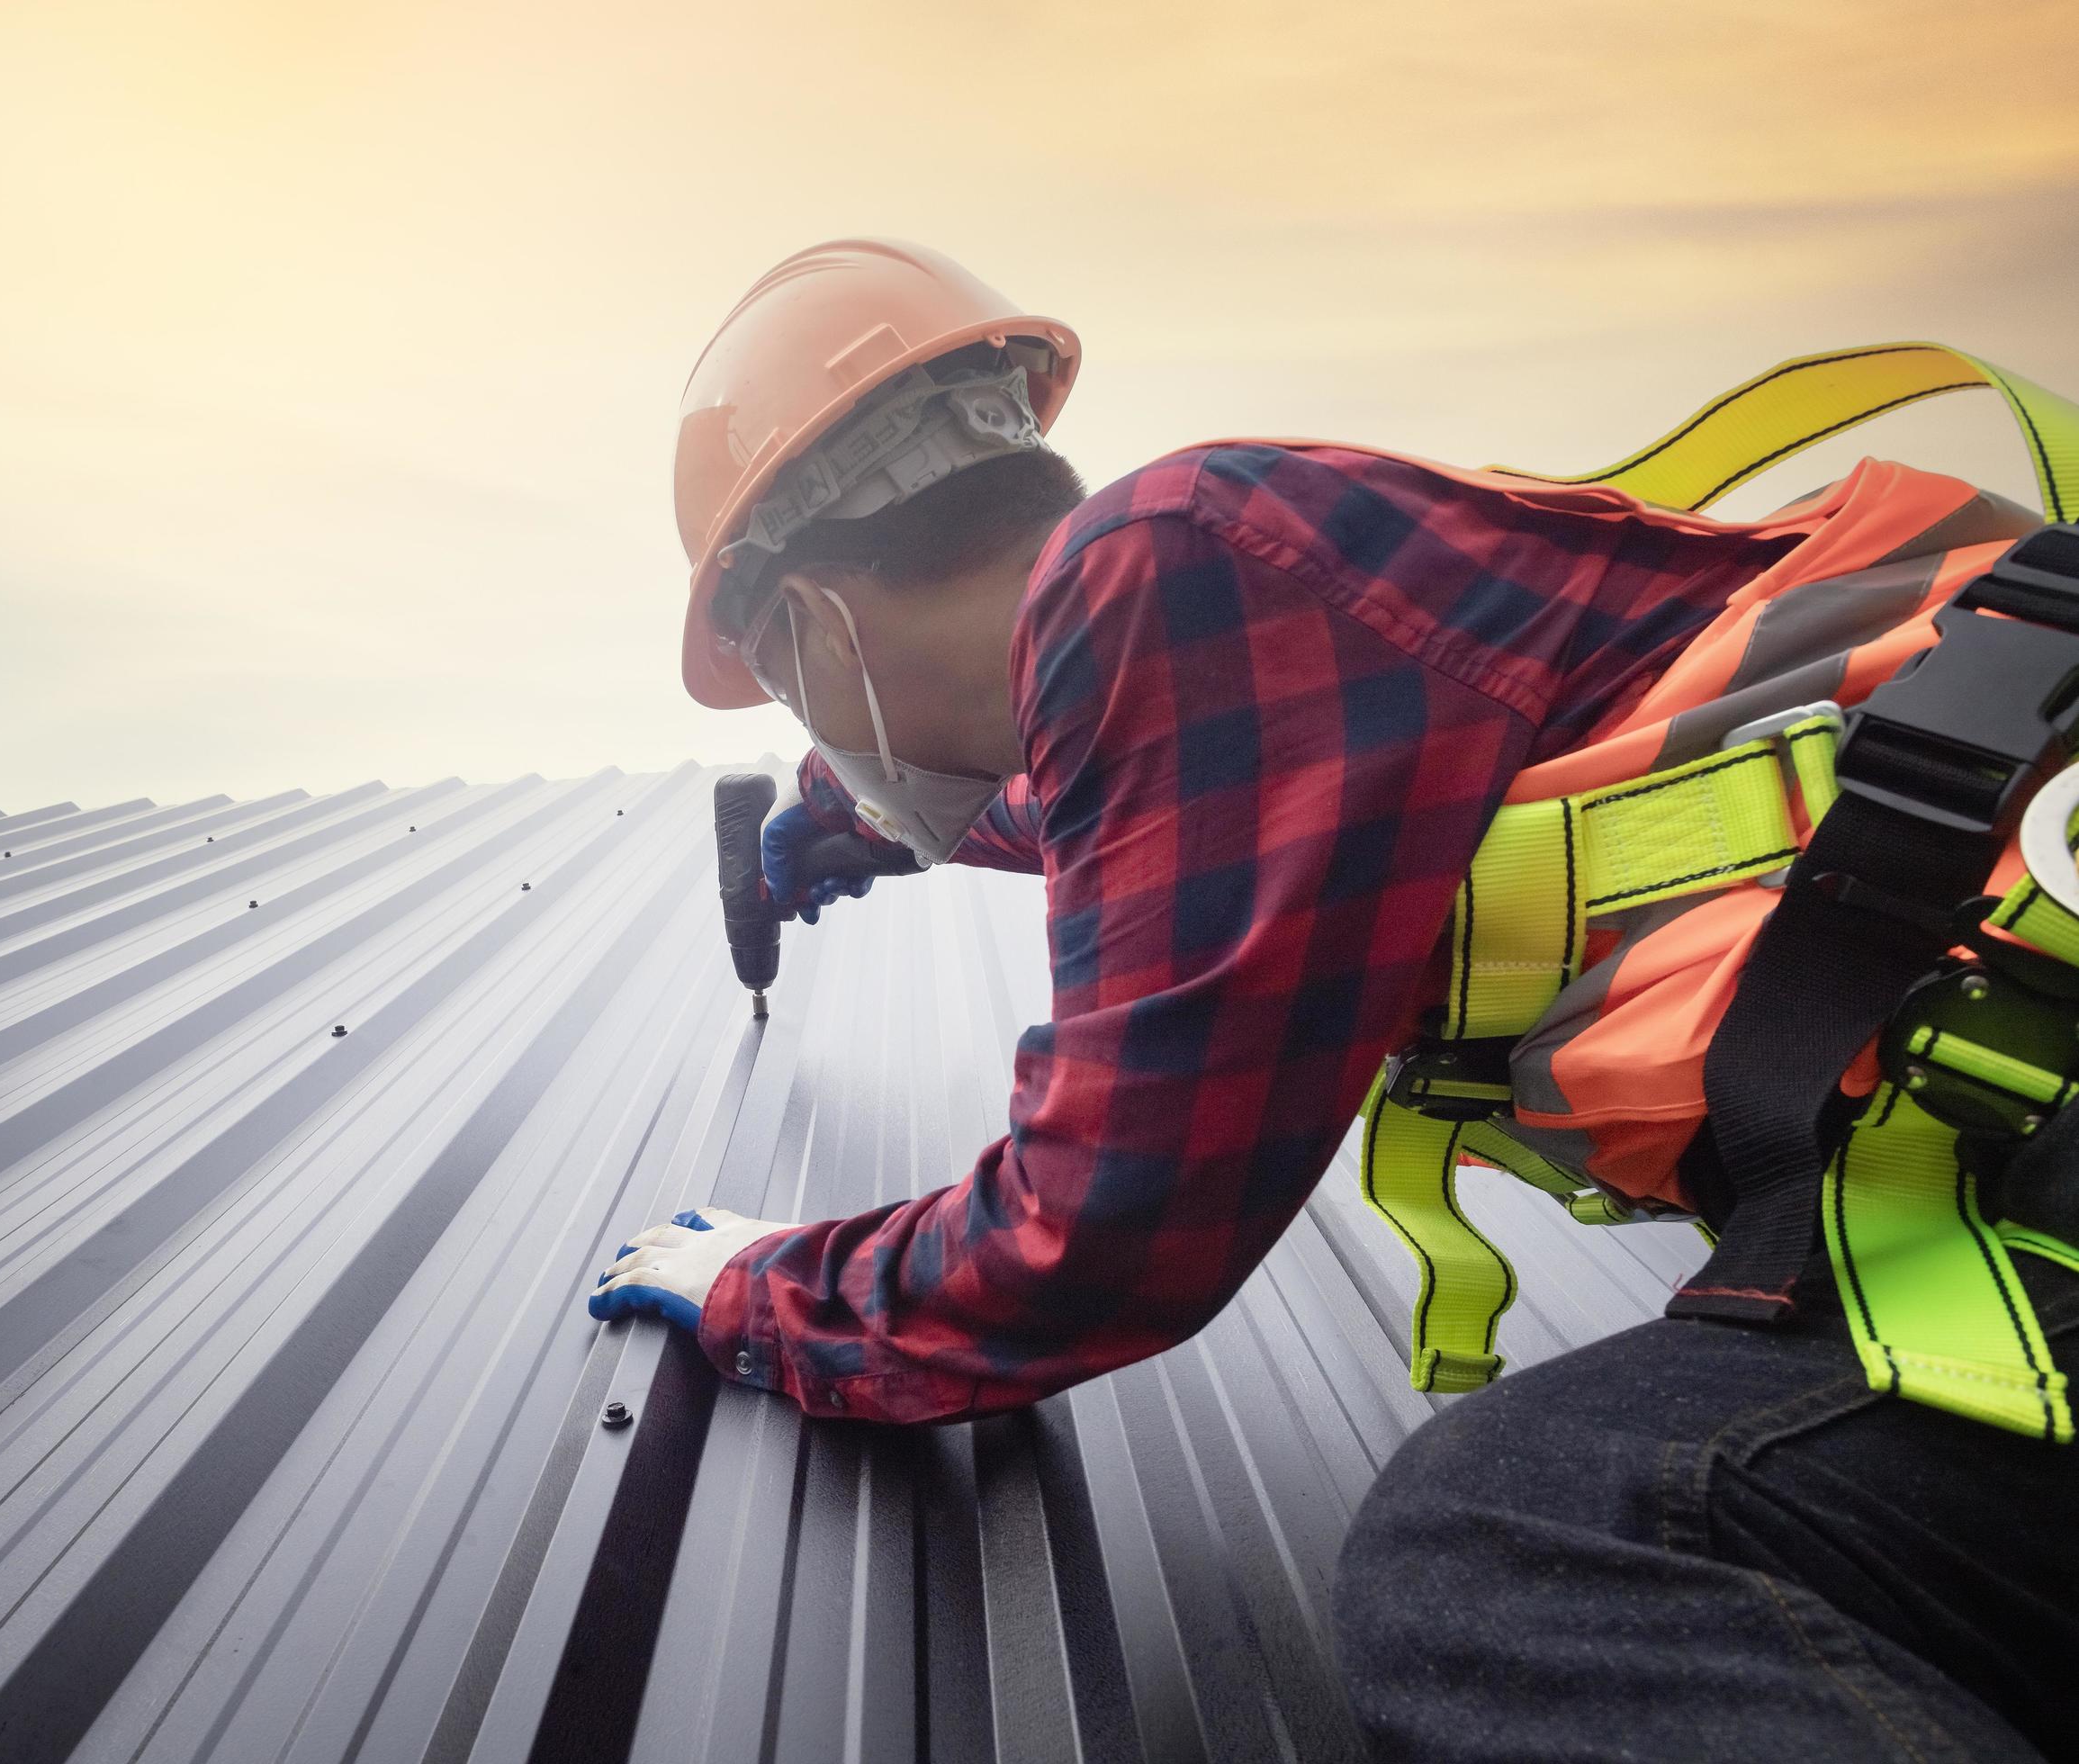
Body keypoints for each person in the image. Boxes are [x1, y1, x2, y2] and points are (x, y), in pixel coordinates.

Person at [588, 238, 2079, 1758]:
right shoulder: (1220, 606)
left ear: (809, 620)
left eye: (782, 687)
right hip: (2003, 1163)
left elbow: (1091, 1243)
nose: (816, 734)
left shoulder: (1160, 561)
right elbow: (1156, 824)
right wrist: (866, 829)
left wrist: (761, 1291)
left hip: (2048, 1169)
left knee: (1510, 1558)